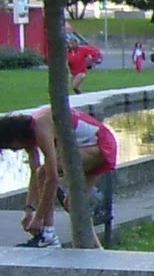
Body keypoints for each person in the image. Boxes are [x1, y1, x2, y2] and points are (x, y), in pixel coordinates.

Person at [0, 106, 118, 248]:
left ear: (15, 137)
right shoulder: (28, 134)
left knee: (45, 173)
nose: (14, 150)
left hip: (101, 145)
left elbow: (52, 178)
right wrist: (29, 210)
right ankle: (98, 250)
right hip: (85, 146)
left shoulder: (41, 128)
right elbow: (34, 174)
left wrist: (38, 218)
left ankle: (48, 234)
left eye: (11, 147)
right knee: (73, 203)